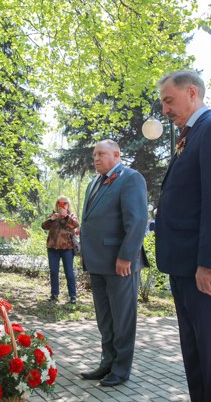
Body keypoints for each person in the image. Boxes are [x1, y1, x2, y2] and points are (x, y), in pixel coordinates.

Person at [154, 70, 211, 402]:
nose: (165, 110)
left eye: (169, 101)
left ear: (192, 93)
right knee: (195, 353)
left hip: (203, 267)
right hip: (184, 264)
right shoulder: (189, 136)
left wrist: (208, 263)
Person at [79, 139, 148, 387]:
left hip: (120, 263)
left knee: (122, 319)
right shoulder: (94, 183)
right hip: (97, 262)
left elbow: (137, 221)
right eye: (94, 155)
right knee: (105, 319)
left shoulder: (130, 178)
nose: (96, 158)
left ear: (117, 155)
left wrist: (126, 256)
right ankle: (107, 362)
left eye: (101, 153)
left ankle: (121, 369)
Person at [41, 195, 79, 304]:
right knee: (53, 272)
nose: (62, 205)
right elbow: (44, 226)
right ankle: (54, 295)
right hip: (52, 248)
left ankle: (72, 296)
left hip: (67, 248)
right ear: (57, 205)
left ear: (68, 205)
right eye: (60, 203)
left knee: (69, 272)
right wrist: (51, 219)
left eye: (64, 203)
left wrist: (66, 216)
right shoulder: (53, 215)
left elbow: (75, 225)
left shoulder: (71, 216)